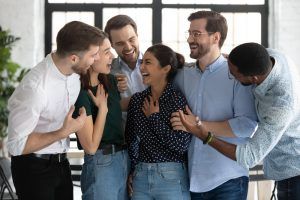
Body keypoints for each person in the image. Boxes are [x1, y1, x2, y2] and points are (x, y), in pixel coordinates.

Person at [179, 42, 300, 200]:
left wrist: (204, 135)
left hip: (293, 171)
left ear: (254, 78)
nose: (231, 78)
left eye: (234, 75)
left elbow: (249, 156)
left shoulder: (281, 106)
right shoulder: (273, 57)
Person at [7, 21, 103, 200]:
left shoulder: (75, 74)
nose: (96, 59)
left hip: (61, 163)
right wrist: (63, 132)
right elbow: (15, 145)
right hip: (33, 169)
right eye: (93, 54)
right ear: (74, 58)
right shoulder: (35, 89)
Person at [170, 11, 258, 199]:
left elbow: (247, 125)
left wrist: (197, 125)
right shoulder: (183, 75)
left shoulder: (236, 76)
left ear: (215, 37)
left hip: (229, 179)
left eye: (197, 34)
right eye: (189, 33)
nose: (190, 39)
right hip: (192, 180)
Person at [125, 44, 191, 200]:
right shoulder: (137, 100)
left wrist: (154, 118)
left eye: (148, 62)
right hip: (140, 177)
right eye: (142, 62)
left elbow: (180, 145)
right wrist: (133, 170)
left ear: (165, 69)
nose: (141, 67)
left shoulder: (176, 100)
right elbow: (131, 140)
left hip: (171, 177)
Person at [73, 31, 129, 200]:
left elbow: (116, 113)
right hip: (101, 163)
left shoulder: (110, 81)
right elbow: (90, 146)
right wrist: (102, 110)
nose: (112, 56)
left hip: (123, 159)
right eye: (106, 52)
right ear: (91, 56)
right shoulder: (80, 92)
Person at [104, 14, 147, 125]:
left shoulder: (159, 65)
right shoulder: (106, 72)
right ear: (111, 45)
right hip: (123, 139)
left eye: (131, 39)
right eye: (120, 43)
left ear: (137, 36)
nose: (128, 47)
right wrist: (112, 90)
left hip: (157, 138)